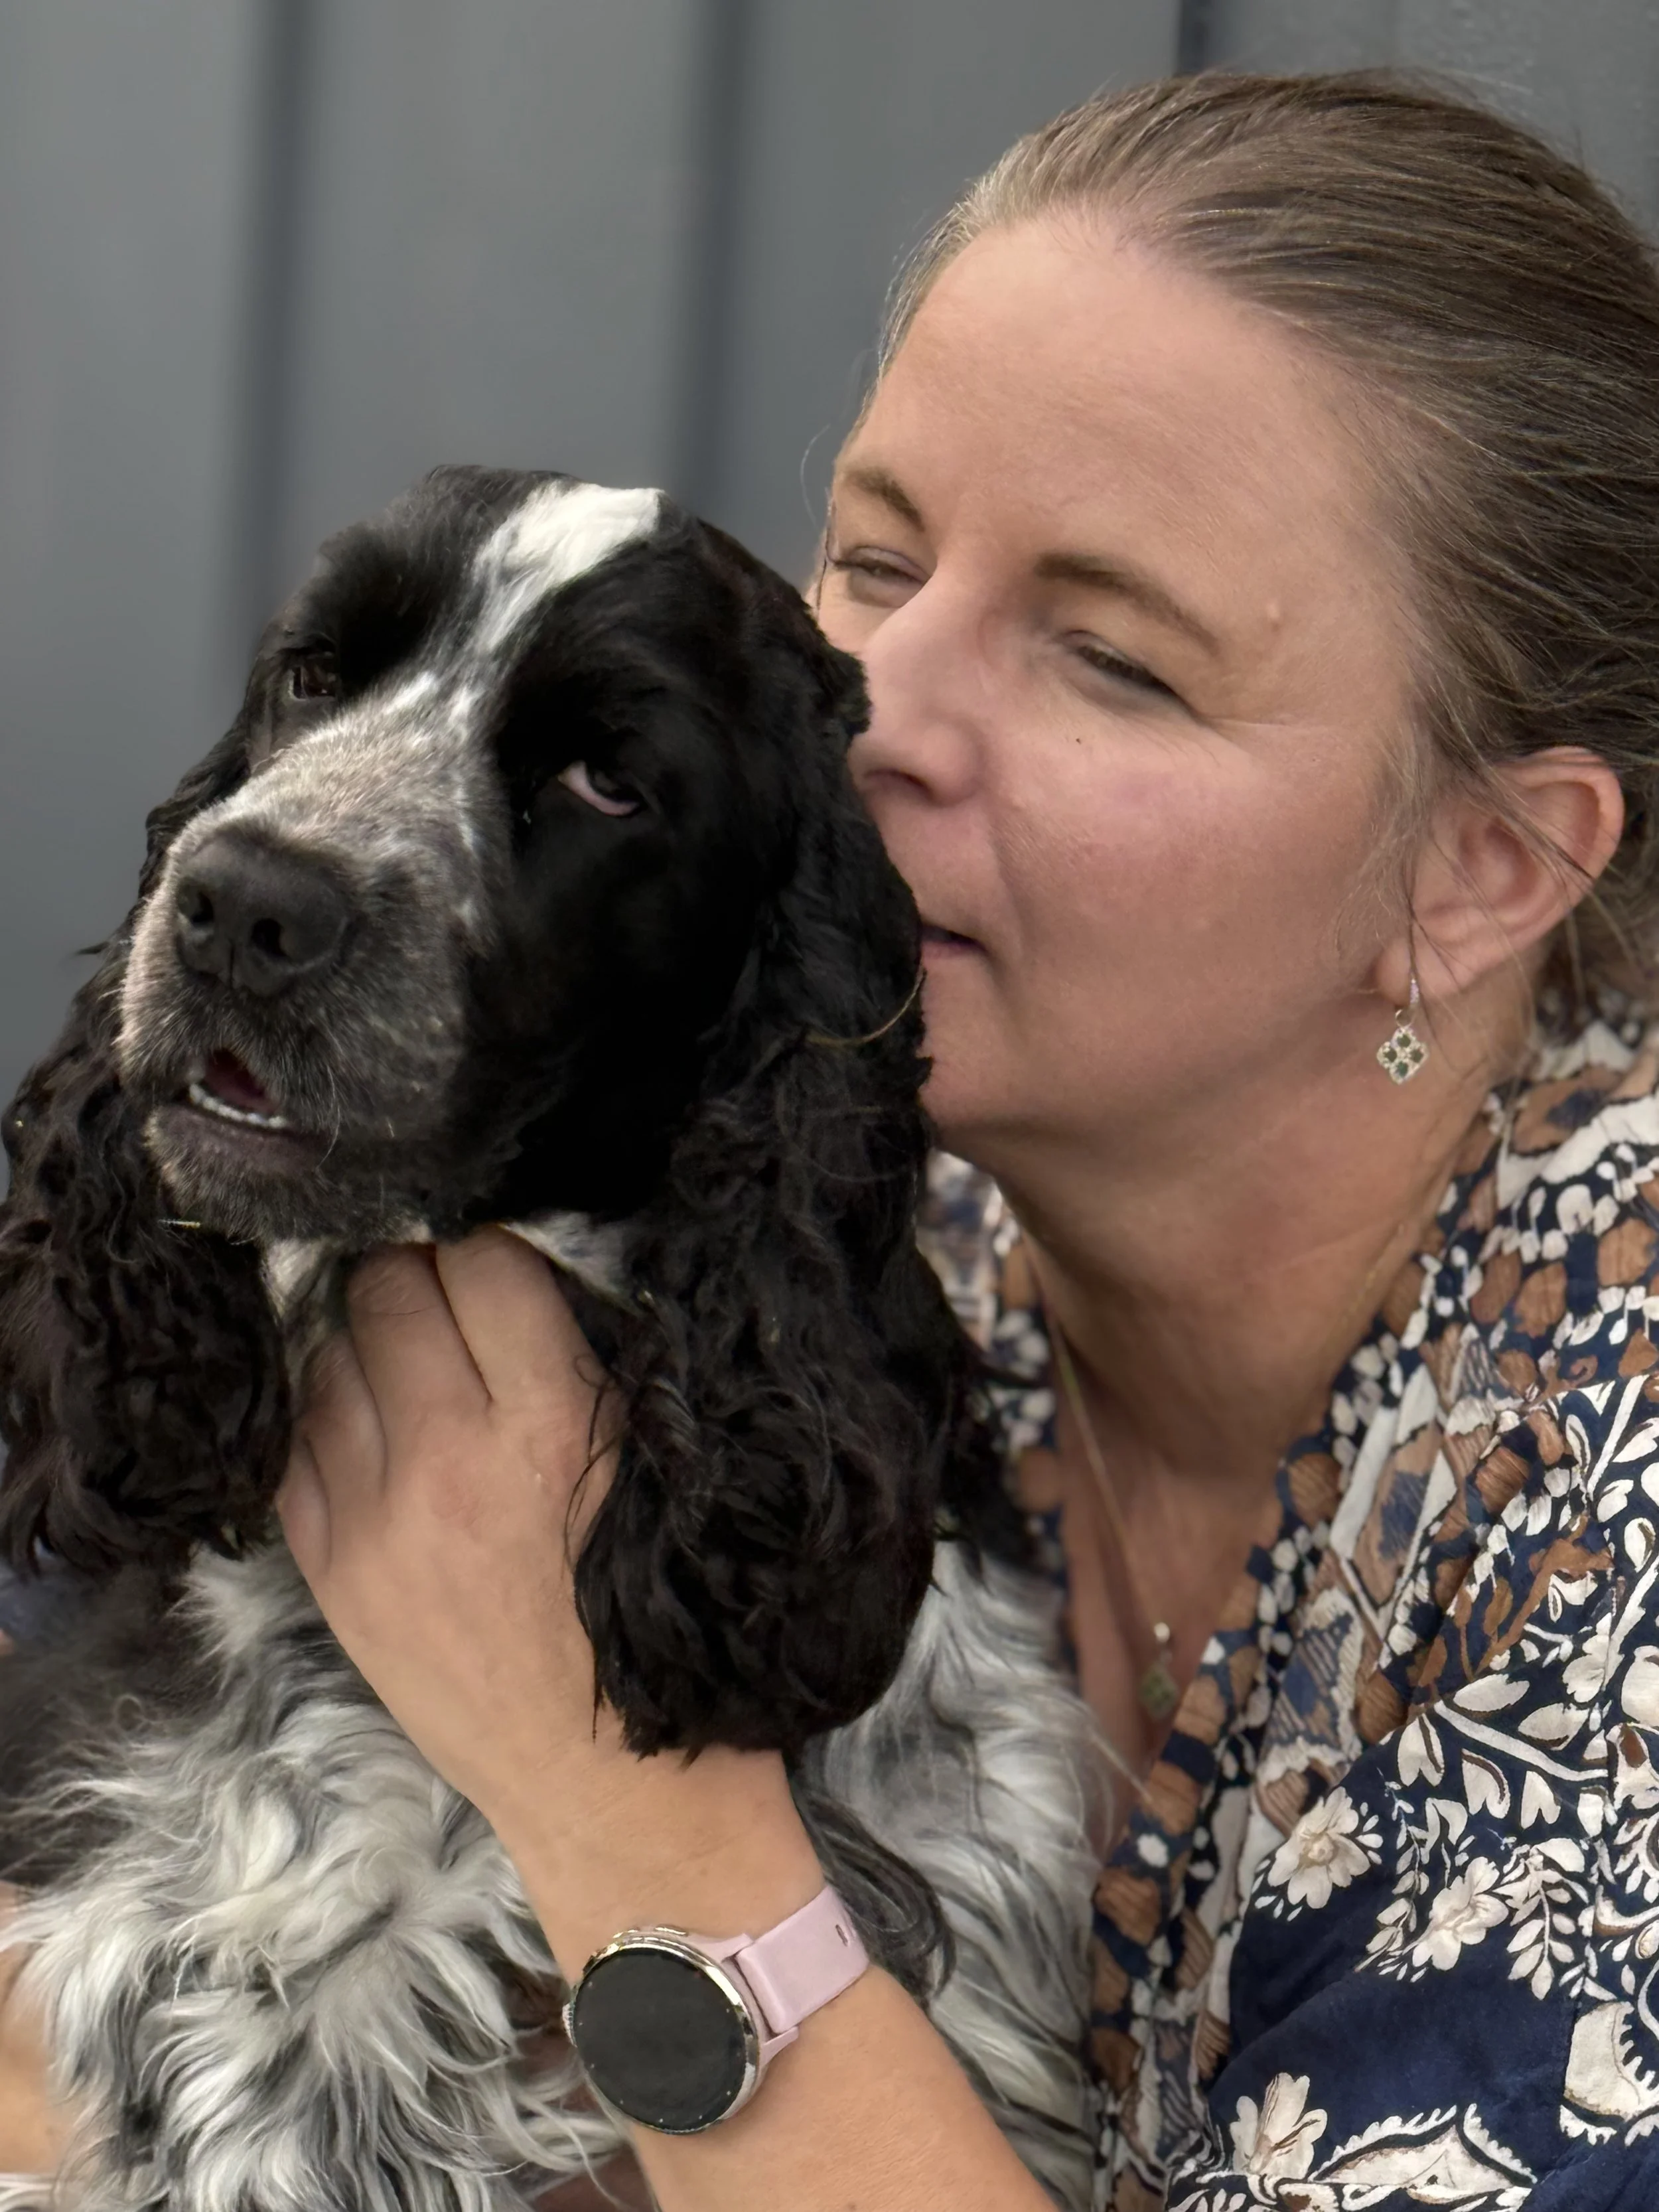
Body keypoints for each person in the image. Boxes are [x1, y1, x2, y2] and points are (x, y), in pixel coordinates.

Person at [8, 64, 1659, 2210]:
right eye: (875, 551)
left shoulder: (1605, 1498)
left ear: (1480, 867)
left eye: (1112, 659)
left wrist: (618, 1803)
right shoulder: (841, 1193)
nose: (872, 713)